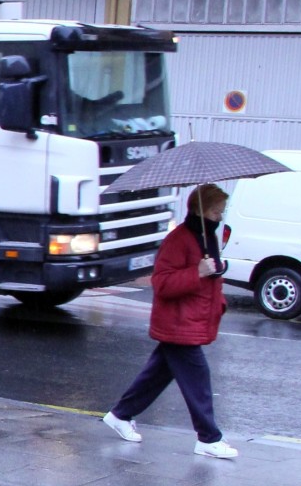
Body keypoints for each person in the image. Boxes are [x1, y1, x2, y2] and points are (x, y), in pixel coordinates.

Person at [101, 184, 238, 459]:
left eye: (222, 211)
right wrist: (197, 272)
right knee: (198, 378)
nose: (219, 217)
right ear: (200, 209)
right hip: (178, 322)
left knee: (157, 374)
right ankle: (209, 438)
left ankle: (120, 415)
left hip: (189, 319)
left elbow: (210, 278)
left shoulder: (207, 237)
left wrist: (216, 290)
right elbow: (162, 283)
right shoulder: (179, 240)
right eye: (215, 211)